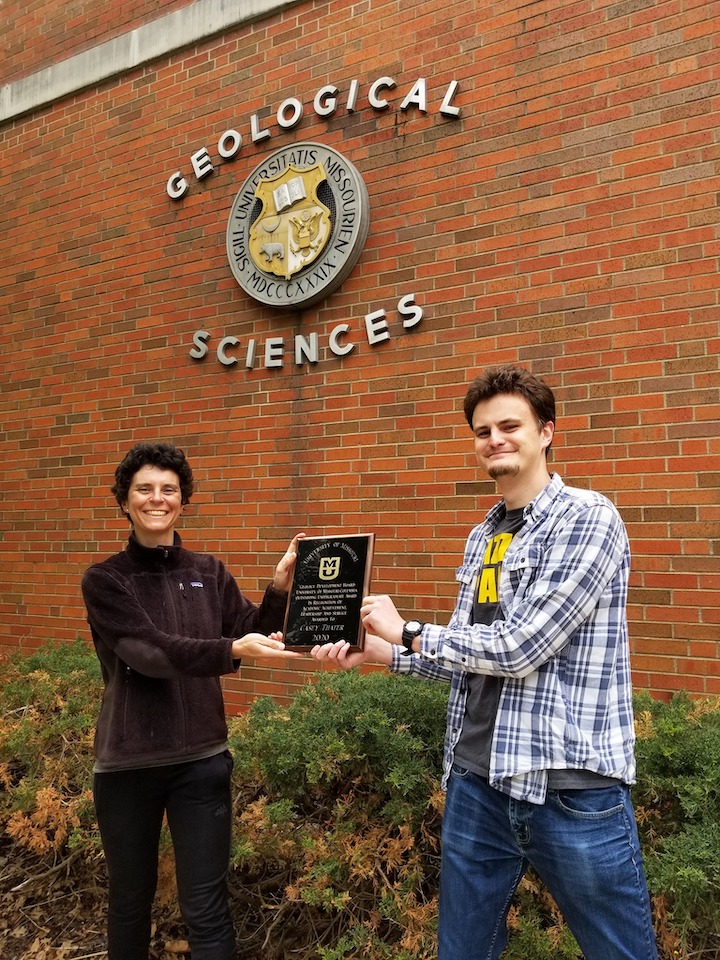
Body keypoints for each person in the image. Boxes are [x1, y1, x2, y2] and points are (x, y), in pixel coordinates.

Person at [312, 365, 658, 960]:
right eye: (482, 431)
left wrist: (414, 630)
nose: (494, 439)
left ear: (547, 431)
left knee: (621, 952)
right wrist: (386, 653)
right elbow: (472, 660)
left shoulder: (589, 518)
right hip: (477, 781)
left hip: (568, 789)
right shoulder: (485, 537)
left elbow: (523, 648)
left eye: (509, 426)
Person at [82, 441, 305, 960]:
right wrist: (230, 648)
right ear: (124, 500)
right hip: (127, 767)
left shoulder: (209, 571)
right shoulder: (106, 579)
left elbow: (254, 631)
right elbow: (148, 654)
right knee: (129, 902)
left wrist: (277, 590)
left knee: (206, 908)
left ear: (182, 501)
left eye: (169, 490)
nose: (156, 499)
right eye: (144, 489)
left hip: (201, 764)